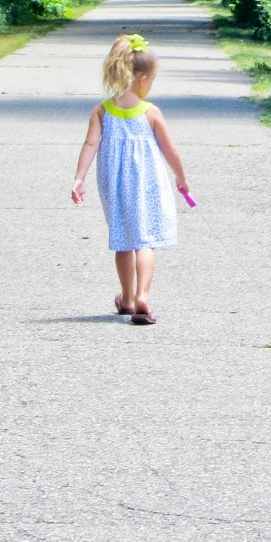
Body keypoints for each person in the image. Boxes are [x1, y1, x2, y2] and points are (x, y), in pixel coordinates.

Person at [71, 34, 190, 325]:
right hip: (147, 185)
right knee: (145, 241)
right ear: (143, 78)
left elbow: (90, 146)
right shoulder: (151, 113)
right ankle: (142, 296)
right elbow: (169, 150)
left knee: (124, 240)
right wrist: (181, 177)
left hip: (115, 186)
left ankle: (125, 298)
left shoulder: (102, 111)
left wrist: (79, 178)